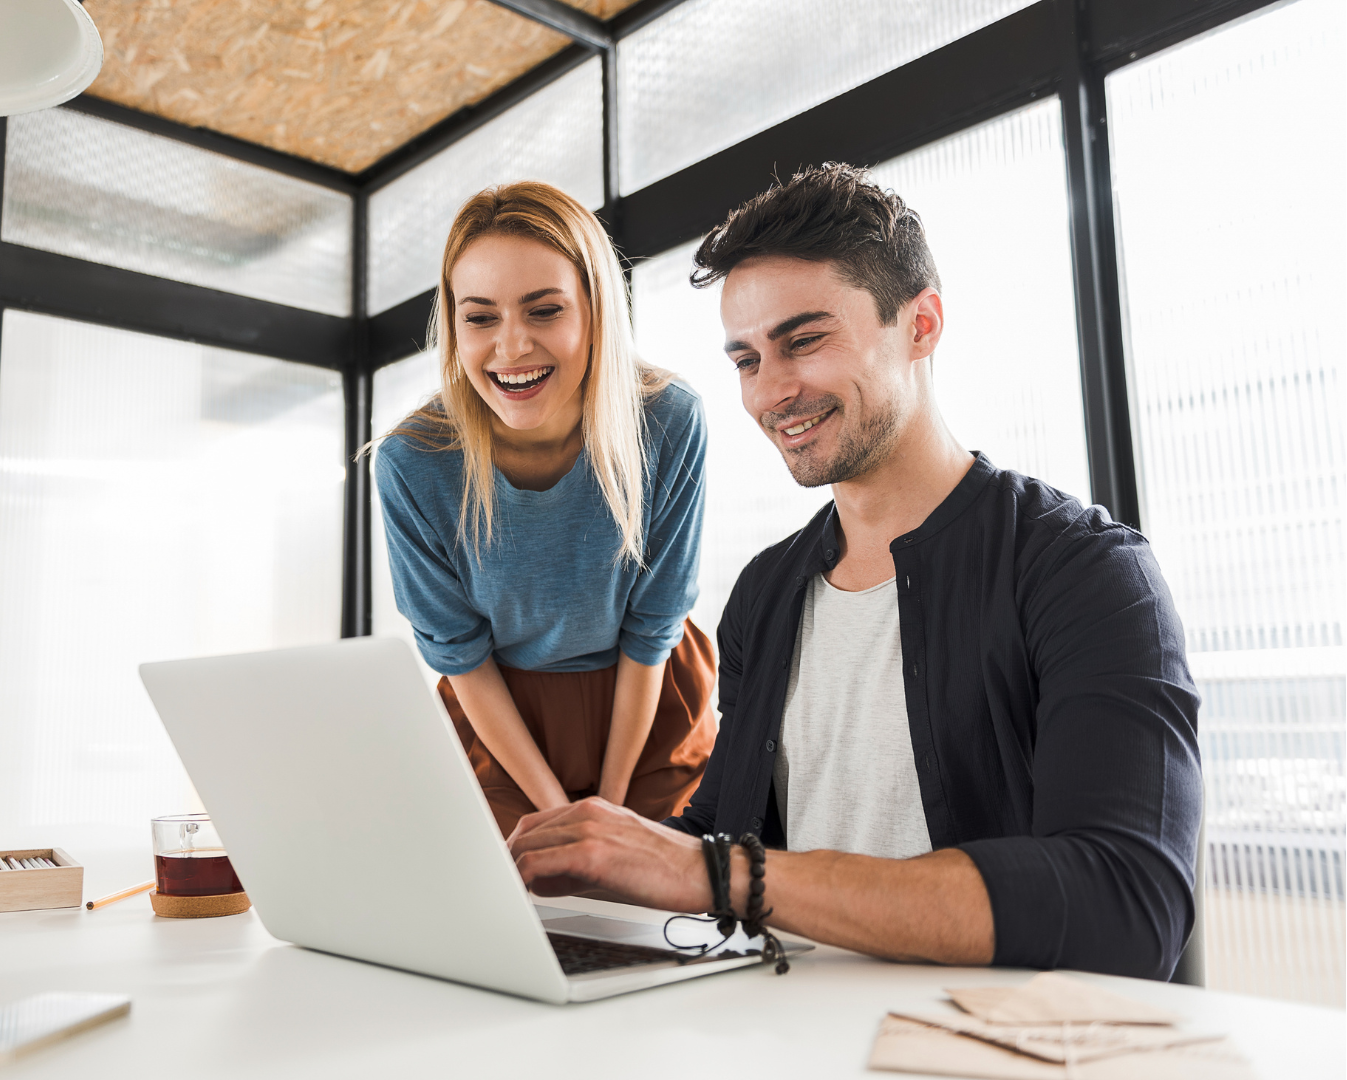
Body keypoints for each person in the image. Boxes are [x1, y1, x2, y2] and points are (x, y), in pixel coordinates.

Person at [507, 164, 1202, 980]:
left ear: (922, 324)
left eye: (804, 341)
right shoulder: (768, 591)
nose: (772, 391)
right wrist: (582, 867)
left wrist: (712, 872)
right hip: (787, 1033)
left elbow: (1123, 904)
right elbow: (722, 838)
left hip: (979, 1047)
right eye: (745, 359)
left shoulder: (1083, 572)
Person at [373, 181, 715, 838]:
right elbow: (460, 654)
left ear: (594, 311)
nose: (510, 348)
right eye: (479, 318)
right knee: (522, 912)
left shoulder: (670, 421)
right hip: (501, 721)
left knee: (658, 904)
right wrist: (560, 813)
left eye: (543, 310)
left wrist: (609, 813)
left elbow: (653, 629)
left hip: (647, 702)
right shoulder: (412, 462)